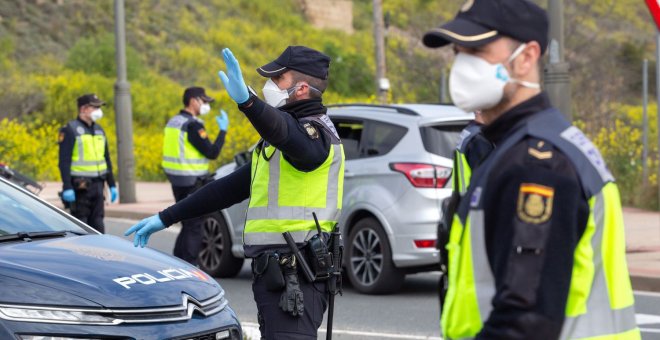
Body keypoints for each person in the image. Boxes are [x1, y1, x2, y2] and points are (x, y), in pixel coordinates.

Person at [423, 0, 640, 339]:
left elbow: (525, 324)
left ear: (526, 57)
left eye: (476, 50)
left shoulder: (536, 164)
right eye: (458, 52)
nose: (462, 66)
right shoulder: (523, 146)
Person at [126, 46, 344, 340]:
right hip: (279, 276)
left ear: (301, 88)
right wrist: (165, 217)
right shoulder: (279, 144)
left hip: (297, 276)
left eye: (278, 79)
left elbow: (287, 133)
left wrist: (249, 103)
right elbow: (225, 190)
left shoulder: (315, 137)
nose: (270, 85)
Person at [162, 86, 230, 265]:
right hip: (193, 181)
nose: (206, 105)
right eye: (204, 101)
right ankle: (190, 265)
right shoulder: (193, 125)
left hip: (178, 181)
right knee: (194, 226)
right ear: (193, 101)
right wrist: (223, 131)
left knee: (187, 223)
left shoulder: (174, 122)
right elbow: (212, 152)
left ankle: (177, 263)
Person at [58, 93, 117, 233]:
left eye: (99, 107)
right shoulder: (70, 130)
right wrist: (67, 186)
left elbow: (106, 159)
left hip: (98, 186)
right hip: (80, 187)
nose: (98, 111)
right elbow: (64, 161)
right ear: (83, 109)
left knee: (98, 225)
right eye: (95, 107)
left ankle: (100, 254)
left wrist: (112, 185)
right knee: (81, 227)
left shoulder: (99, 130)